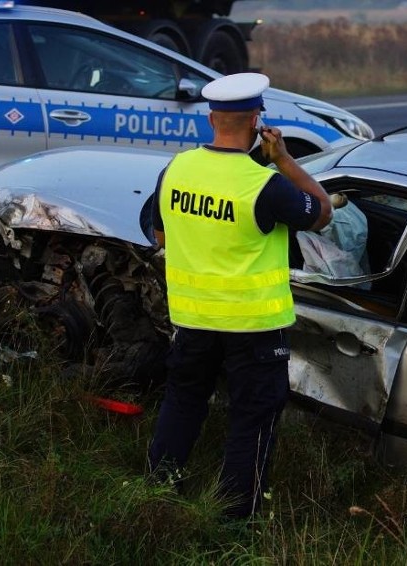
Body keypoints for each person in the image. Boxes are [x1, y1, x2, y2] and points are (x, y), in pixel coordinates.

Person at [147, 72, 332, 519]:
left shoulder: (177, 169)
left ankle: (158, 494)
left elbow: (158, 232)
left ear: (212, 118)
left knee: (183, 403)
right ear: (256, 123)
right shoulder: (264, 185)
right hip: (253, 327)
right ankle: (233, 520)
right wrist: (283, 158)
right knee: (252, 419)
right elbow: (322, 212)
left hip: (192, 320)